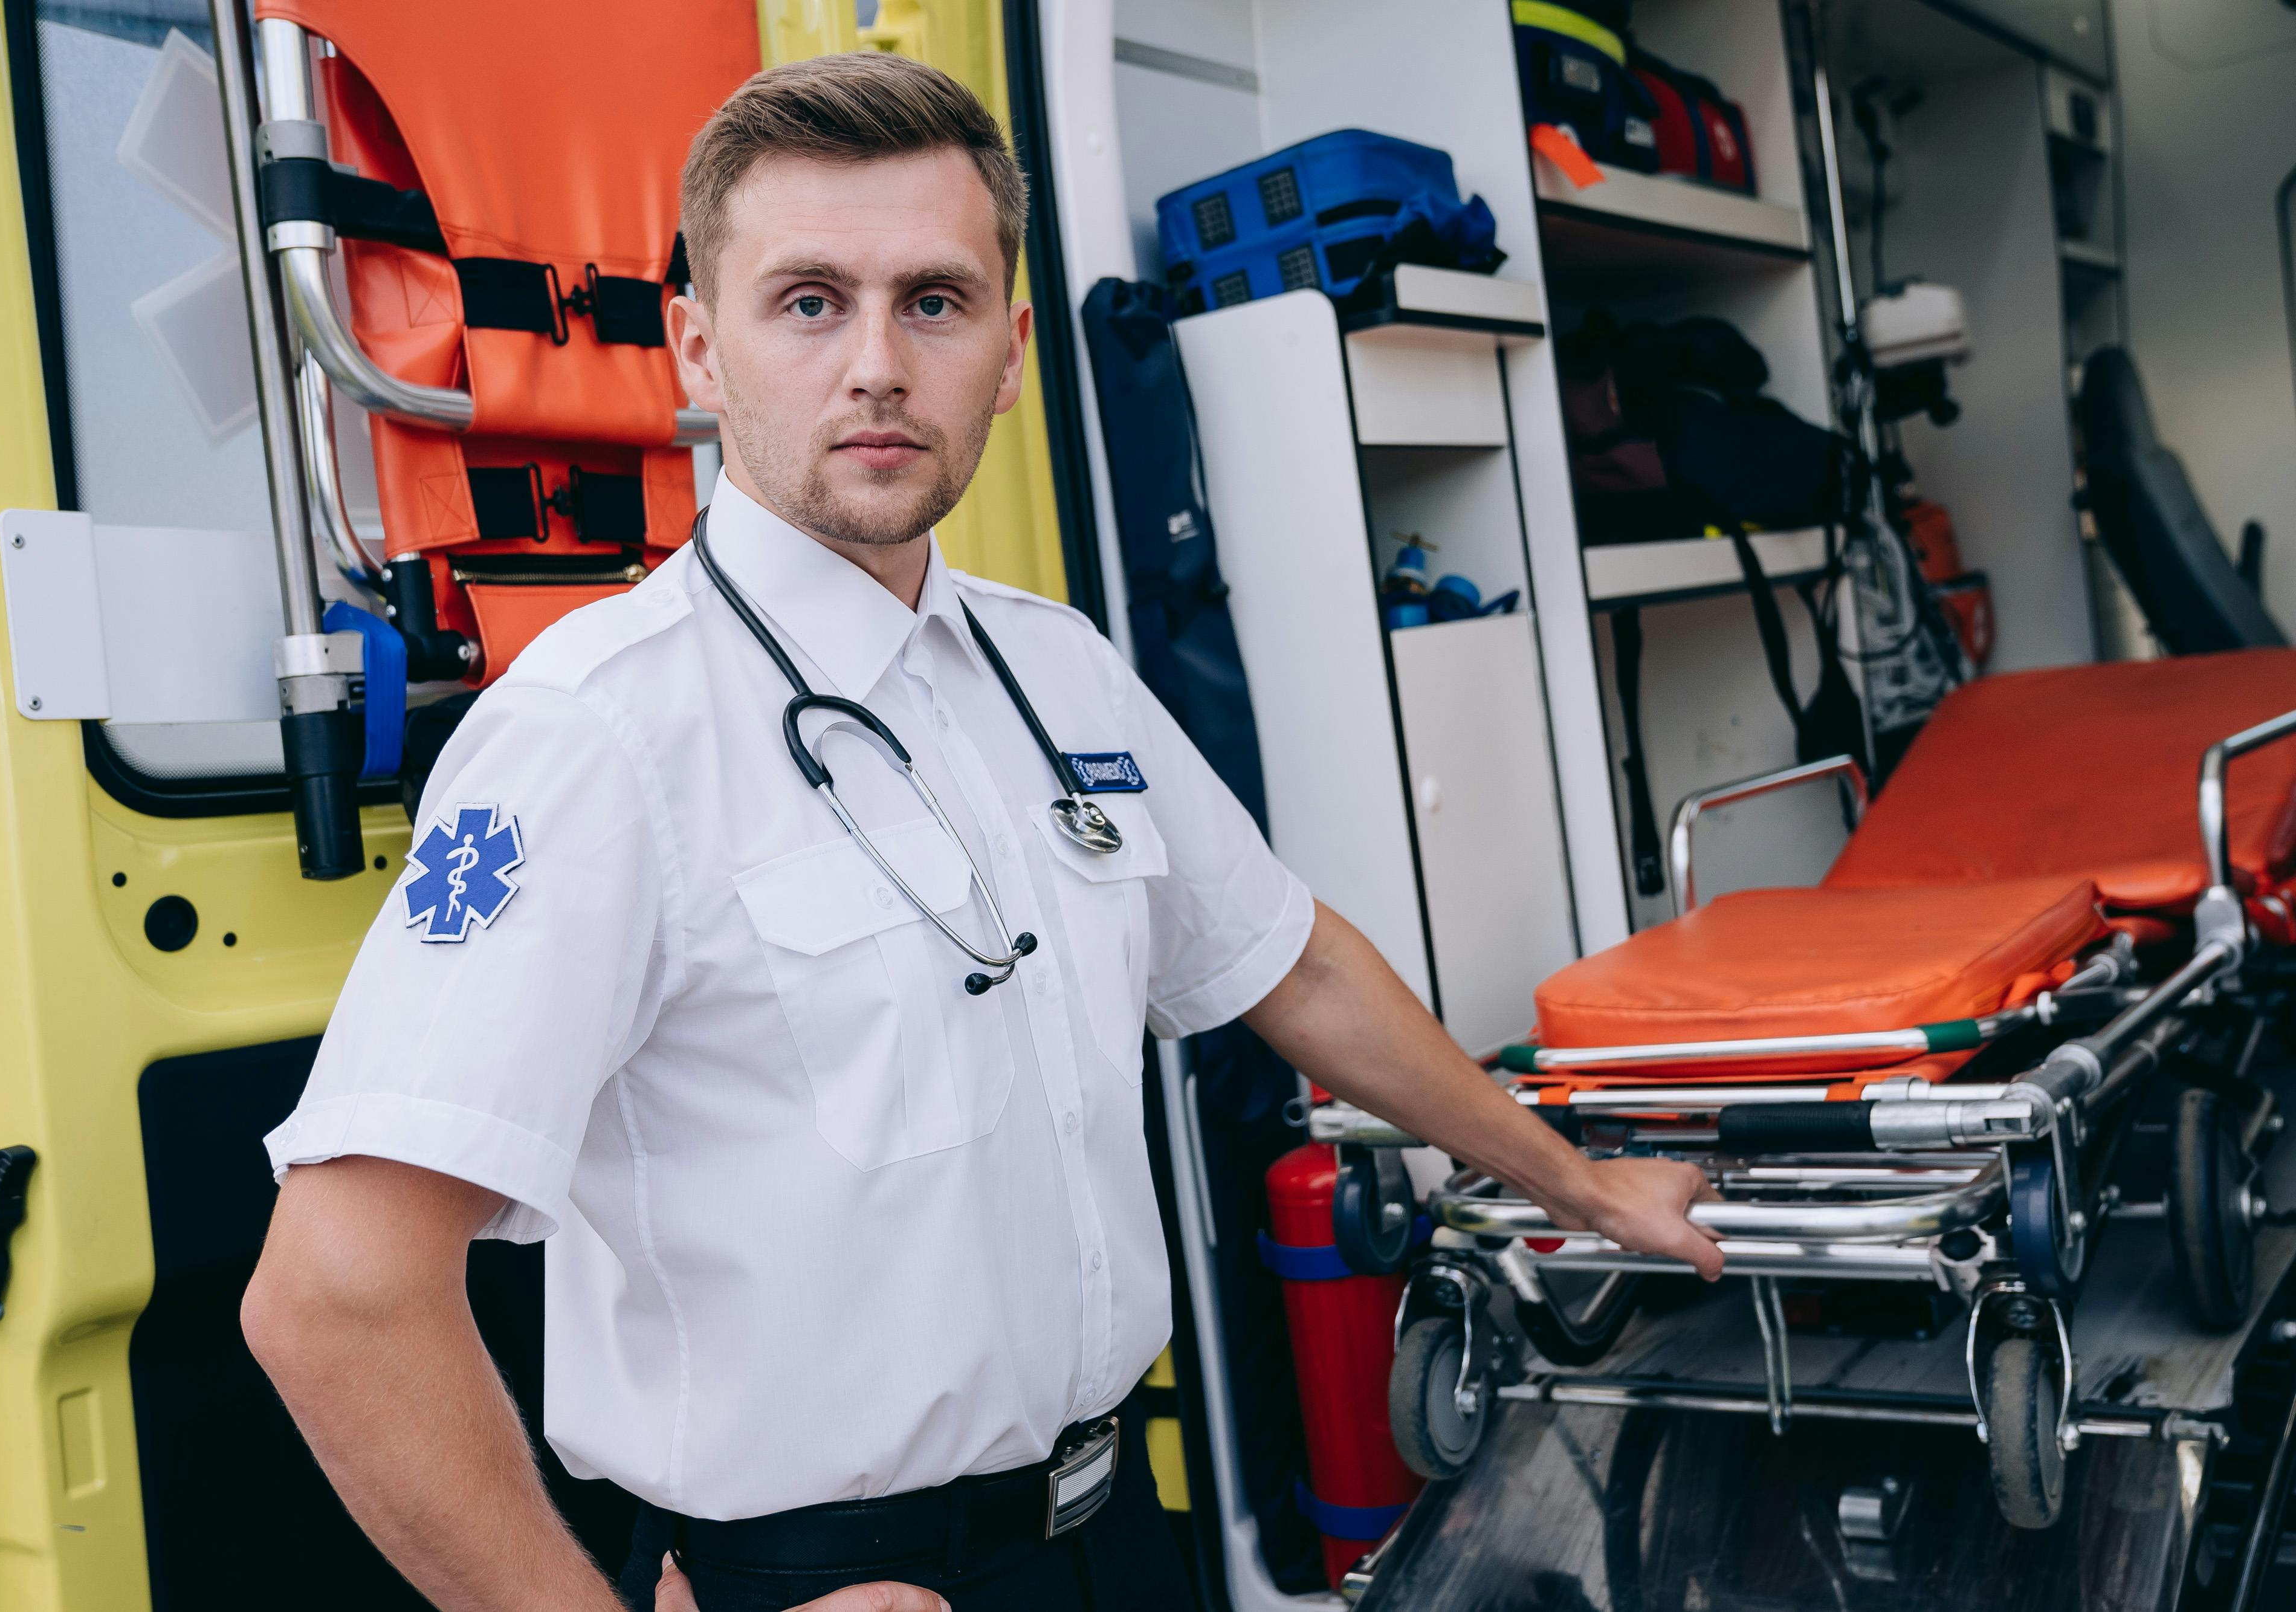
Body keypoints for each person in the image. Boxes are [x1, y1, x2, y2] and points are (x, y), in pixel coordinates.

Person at [242, 51, 1722, 1612]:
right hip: (824, 1576)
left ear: (1011, 353)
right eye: (808, 301)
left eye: (933, 303)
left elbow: (1289, 966)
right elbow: (337, 1294)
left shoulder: (1052, 663)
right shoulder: (596, 731)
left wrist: (1583, 1185)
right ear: (698, 341)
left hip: (1109, 1535)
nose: (877, 363)